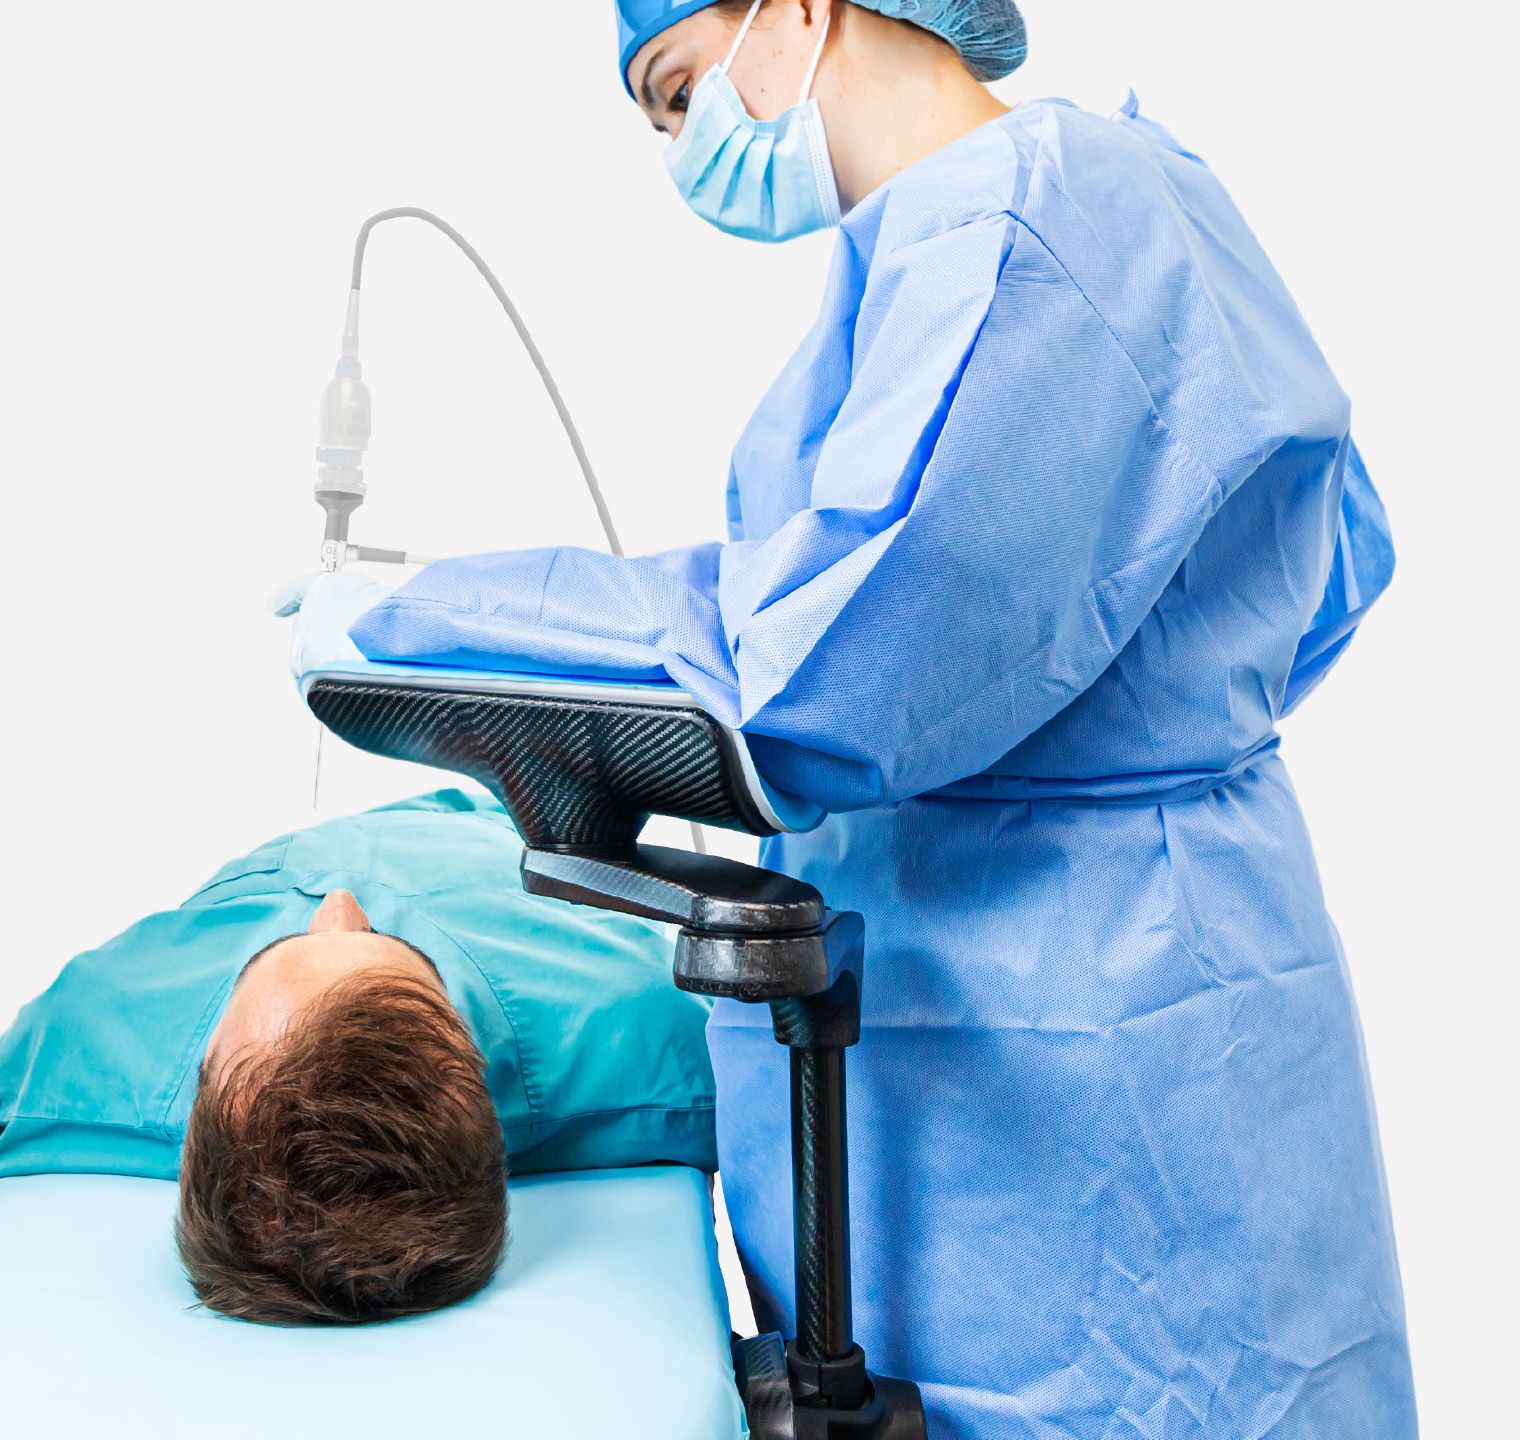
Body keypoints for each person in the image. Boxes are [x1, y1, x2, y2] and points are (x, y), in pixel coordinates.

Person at [290, 0, 1417, 1432]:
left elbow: (821, 672)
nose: (684, 145)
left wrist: (427, 622)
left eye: (682, 85)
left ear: (803, 11)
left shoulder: (1043, 225)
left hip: (1111, 1001)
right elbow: (804, 605)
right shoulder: (932, 258)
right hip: (1008, 969)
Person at [0, 790, 718, 1325]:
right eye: (375, 948)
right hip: (506, 832)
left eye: (286, 953)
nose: (338, 905)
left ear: (207, 1085)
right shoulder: (648, 1029)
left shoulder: (93, 1028)